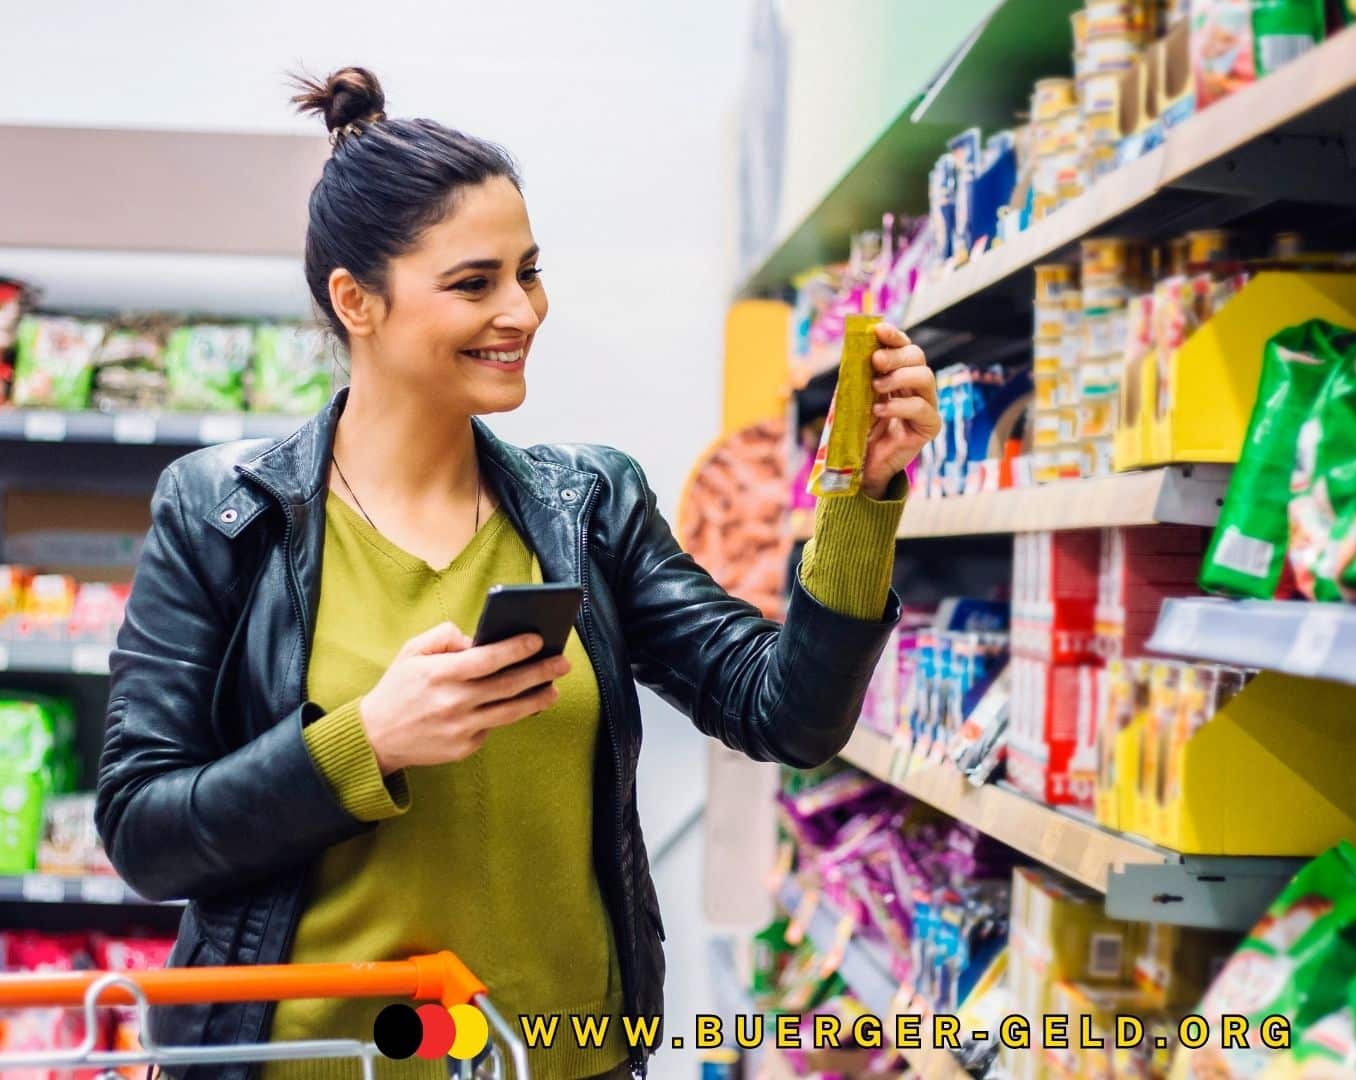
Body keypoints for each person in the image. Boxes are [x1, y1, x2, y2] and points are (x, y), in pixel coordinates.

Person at [95, 66, 940, 1080]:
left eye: (527, 272)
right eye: (474, 282)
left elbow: (785, 713)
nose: (522, 311)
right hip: (312, 1061)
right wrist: (368, 742)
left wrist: (861, 495)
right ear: (356, 301)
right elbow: (146, 832)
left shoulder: (587, 505)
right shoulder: (223, 514)